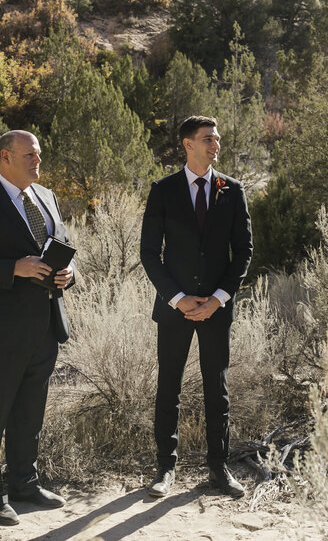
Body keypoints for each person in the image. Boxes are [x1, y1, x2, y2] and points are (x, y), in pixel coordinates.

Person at [0, 130, 76, 526]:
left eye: (39, 154)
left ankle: (25, 483)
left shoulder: (48, 198)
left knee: (29, 412)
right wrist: (13, 268)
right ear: (5, 157)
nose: (37, 160)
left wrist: (69, 274)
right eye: (29, 155)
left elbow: (64, 246)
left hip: (46, 324)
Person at [140, 115, 253, 499]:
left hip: (216, 309)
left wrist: (219, 299)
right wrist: (177, 298)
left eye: (217, 138)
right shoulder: (163, 190)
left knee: (216, 389)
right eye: (208, 138)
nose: (215, 144)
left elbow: (243, 253)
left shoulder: (232, 190)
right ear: (188, 144)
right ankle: (165, 469)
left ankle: (219, 469)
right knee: (168, 385)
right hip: (175, 306)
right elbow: (149, 252)